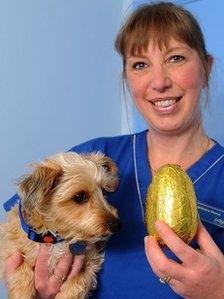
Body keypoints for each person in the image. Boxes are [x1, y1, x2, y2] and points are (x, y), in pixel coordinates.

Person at [3, 2, 224, 298]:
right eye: (140, 64)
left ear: (207, 68)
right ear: (127, 77)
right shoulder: (92, 159)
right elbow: (21, 233)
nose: (159, 82)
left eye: (176, 58)